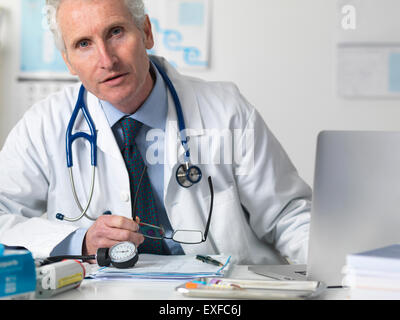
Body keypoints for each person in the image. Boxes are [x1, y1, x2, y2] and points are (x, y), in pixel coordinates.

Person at [0, 0, 311, 265]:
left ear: (146, 32)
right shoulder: (43, 125)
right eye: (84, 44)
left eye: (116, 32)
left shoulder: (227, 110)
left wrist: (345, 275)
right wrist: (79, 242)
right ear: (68, 61)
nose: (106, 60)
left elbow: (289, 216)